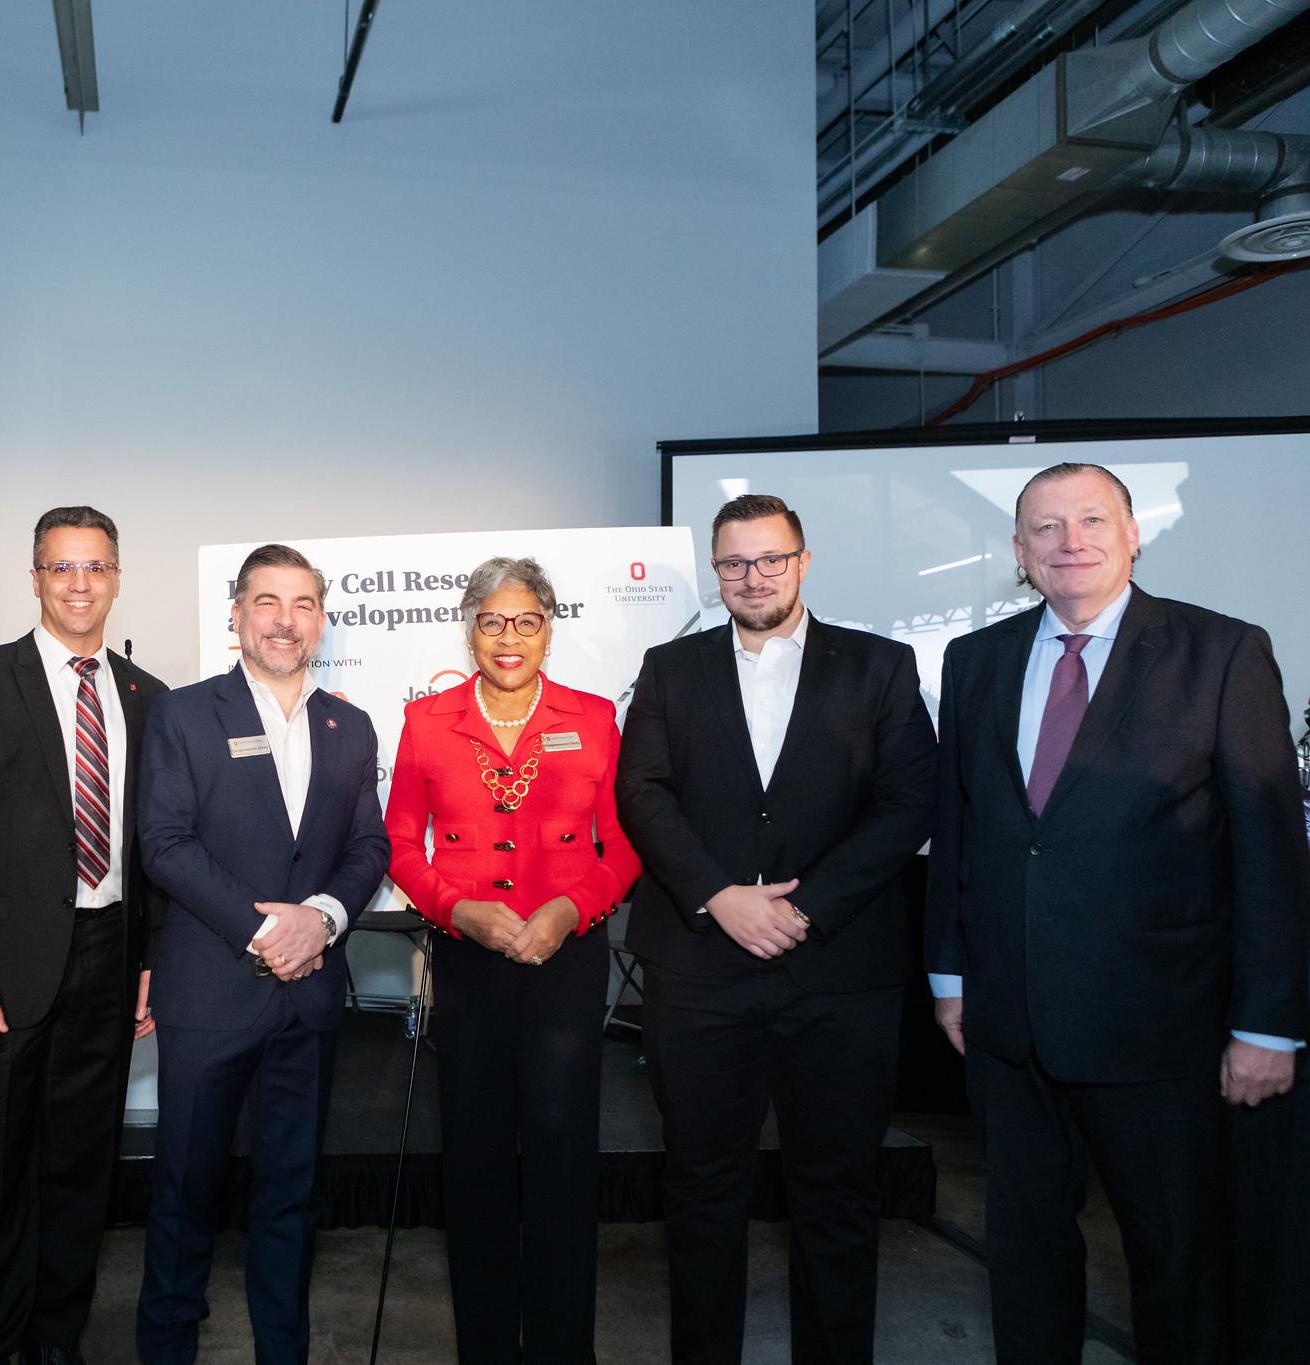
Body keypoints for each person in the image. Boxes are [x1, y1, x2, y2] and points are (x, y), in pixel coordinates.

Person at [925, 461, 1308, 1364]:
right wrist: (951, 977)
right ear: (1019, 553)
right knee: (1024, 1258)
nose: (1071, 541)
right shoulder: (975, 661)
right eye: (1046, 528)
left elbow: (1269, 854)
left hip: (1163, 1036)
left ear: (1133, 534)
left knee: (1177, 1264)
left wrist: (1271, 1024)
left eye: (1092, 519)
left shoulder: (1222, 652)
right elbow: (962, 826)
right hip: (1009, 1030)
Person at [616, 493, 936, 1365]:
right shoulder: (669, 667)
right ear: (715, 570)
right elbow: (642, 793)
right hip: (698, 969)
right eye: (733, 562)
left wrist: (806, 906)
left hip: (838, 970)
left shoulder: (880, 666)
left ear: (802, 561)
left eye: (770, 559)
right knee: (702, 1191)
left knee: (836, 1195)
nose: (752, 577)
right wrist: (720, 895)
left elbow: (908, 800)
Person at [0, 506, 168, 1365]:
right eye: (61, 567)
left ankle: (57, 1341)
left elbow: (153, 848)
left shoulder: (148, 696)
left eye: (95, 567)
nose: (79, 584)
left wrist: (150, 961)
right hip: (0, 967)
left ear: (117, 578)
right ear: (34, 577)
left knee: (78, 1170)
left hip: (108, 956)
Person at [132, 543, 390, 1365]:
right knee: (184, 1190)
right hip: (210, 991)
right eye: (268, 601)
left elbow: (369, 846)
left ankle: (286, 1348)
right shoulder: (184, 712)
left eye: (304, 602)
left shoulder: (351, 725)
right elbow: (164, 845)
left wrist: (321, 917)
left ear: (321, 618)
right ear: (235, 614)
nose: (286, 619)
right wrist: (265, 931)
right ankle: (168, 1347)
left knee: (293, 1193)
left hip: (308, 999)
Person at [383, 555, 641, 1363]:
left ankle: (566, 1348)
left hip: (564, 960)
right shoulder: (428, 721)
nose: (509, 636)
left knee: (564, 1161)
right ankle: (486, 1346)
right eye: (492, 619)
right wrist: (456, 907)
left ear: (549, 629)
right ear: (469, 625)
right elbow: (396, 843)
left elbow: (627, 842)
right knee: (477, 1161)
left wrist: (570, 909)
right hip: (470, 961)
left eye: (526, 620)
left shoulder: (594, 717)